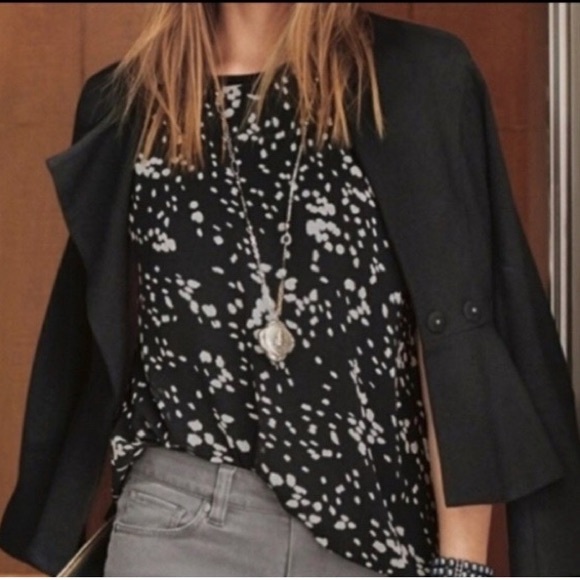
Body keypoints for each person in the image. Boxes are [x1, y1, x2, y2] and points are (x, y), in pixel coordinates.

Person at [1, 3, 580, 577]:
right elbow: (106, 343)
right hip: (182, 520)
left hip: (378, 529)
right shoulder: (128, 102)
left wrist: (463, 564)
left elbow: (457, 337)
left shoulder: (419, 76)